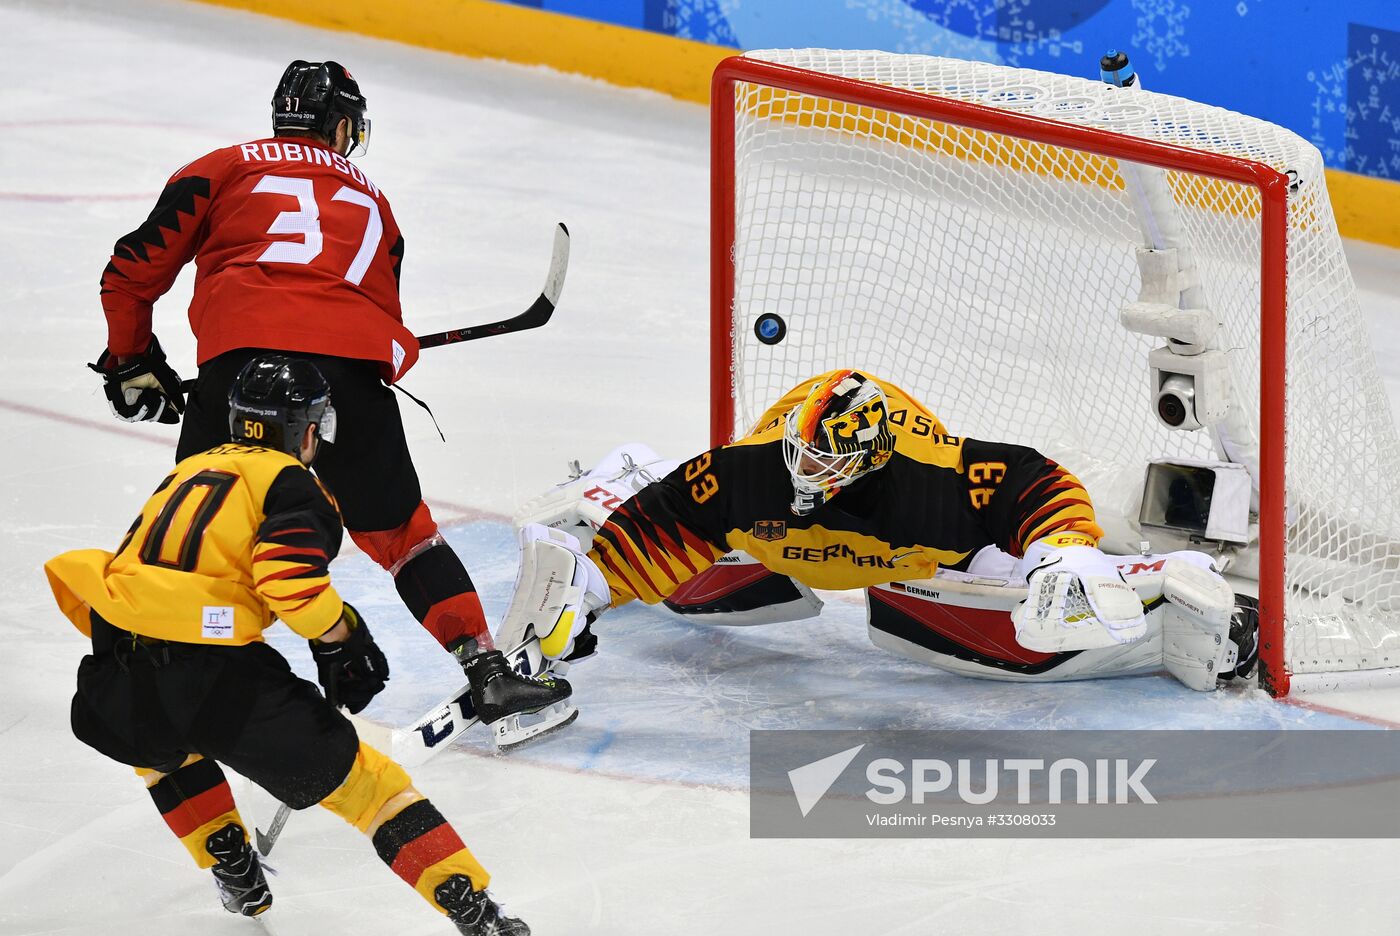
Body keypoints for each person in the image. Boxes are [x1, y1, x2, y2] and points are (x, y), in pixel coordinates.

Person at [87, 59, 565, 728]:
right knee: (405, 537)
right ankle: (484, 670)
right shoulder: (374, 202)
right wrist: (378, 351)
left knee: (204, 528)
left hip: (236, 375)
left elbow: (130, 272)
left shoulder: (221, 167)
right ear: (343, 127)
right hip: (344, 376)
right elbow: (389, 337)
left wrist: (131, 359)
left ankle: (162, 679)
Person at [45, 355, 544, 933]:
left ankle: (228, 856)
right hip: (214, 676)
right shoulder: (293, 484)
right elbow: (288, 580)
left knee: (161, 751)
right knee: (373, 791)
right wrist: (343, 638)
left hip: (115, 674)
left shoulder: (190, 469)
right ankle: (475, 910)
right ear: (308, 429)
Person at [502, 368, 1256, 698]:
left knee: (1037, 611)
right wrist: (592, 586)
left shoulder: (932, 483)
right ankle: (617, 471)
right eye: (801, 450)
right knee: (687, 587)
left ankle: (1176, 585)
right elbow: (666, 518)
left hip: (916, 557)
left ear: (867, 462)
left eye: (825, 460)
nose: (803, 469)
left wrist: (1064, 553)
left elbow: (1037, 480)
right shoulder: (750, 473)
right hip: (776, 549)